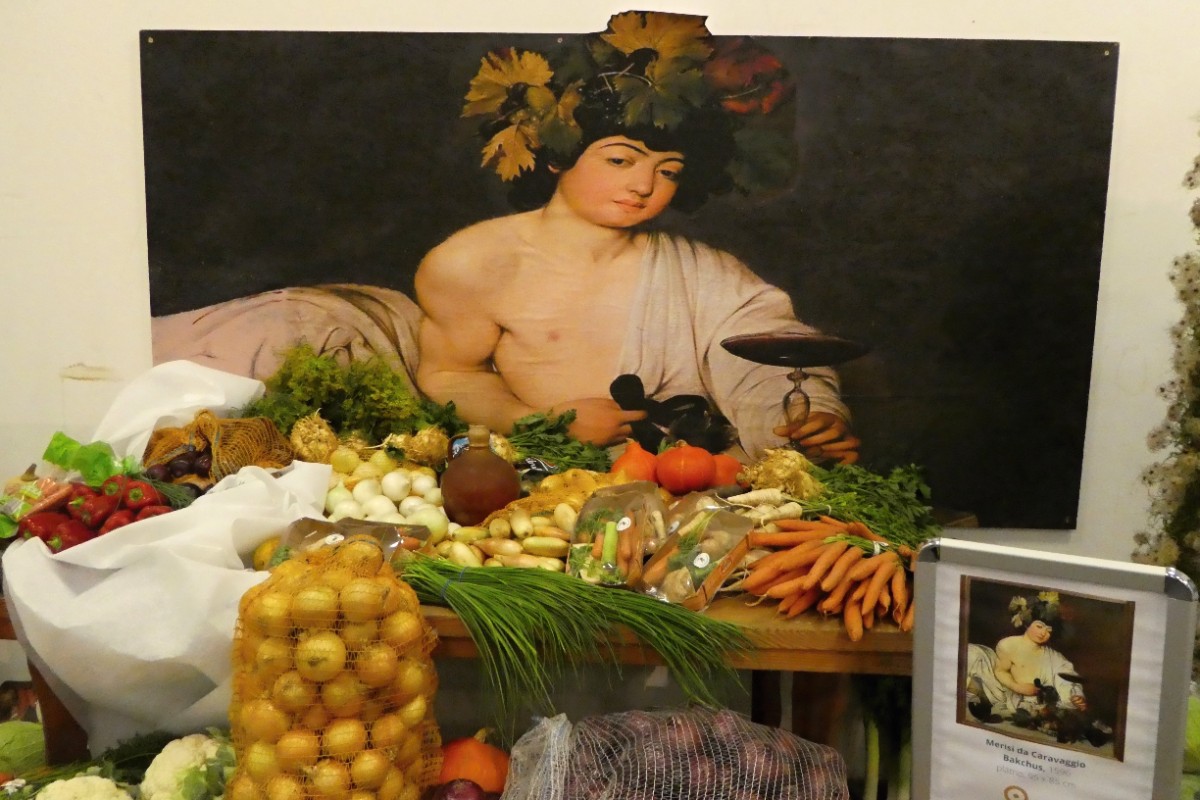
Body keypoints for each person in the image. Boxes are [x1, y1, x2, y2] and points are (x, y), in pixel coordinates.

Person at [415, 11, 860, 461]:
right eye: (619, 161)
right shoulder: (473, 262)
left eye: (668, 171)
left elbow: (775, 356)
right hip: (548, 474)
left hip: (697, 474)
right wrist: (542, 421)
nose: (643, 186)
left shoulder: (705, 272)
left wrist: (809, 419)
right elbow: (450, 375)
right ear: (557, 155)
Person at [965, 592, 1087, 721]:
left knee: (1043, 710)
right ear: (1027, 623)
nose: (1043, 633)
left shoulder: (1054, 657)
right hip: (1002, 689)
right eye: (1039, 626)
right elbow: (1000, 671)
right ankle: (976, 695)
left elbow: (1066, 676)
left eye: (1048, 630)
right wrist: (1017, 687)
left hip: (1031, 700)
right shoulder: (1008, 644)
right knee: (974, 653)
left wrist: (1075, 696)